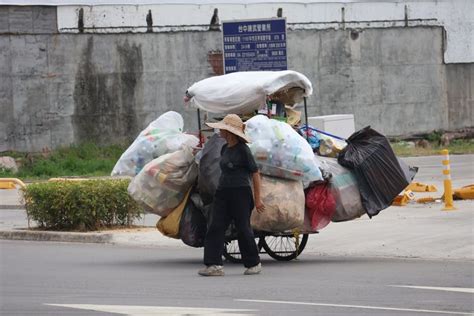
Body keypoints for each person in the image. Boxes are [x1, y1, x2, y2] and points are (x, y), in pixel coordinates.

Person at [198, 114, 265, 277]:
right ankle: (214, 265)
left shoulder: (243, 150)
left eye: (222, 128)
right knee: (215, 226)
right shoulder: (224, 148)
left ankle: (253, 263)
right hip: (223, 192)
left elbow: (255, 173)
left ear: (230, 132)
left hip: (240, 193)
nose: (220, 131)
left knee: (243, 228)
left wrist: (258, 199)